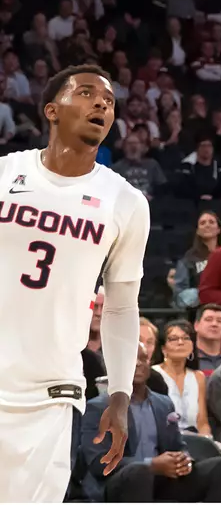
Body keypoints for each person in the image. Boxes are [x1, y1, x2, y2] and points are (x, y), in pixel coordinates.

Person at [0, 64, 149, 502]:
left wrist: (119, 395)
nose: (101, 103)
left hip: (52, 394)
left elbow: (122, 306)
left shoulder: (126, 201)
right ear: (52, 109)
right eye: (85, 93)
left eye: (108, 101)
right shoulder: (4, 174)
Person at [78, 356, 221, 503]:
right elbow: (99, 462)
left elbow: (178, 446)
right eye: (132, 357)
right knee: (140, 472)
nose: (139, 363)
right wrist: (151, 465)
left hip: (162, 480)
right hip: (118, 483)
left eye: (143, 358)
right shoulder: (97, 408)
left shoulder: (164, 403)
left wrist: (183, 461)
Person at [153, 321, 210, 437]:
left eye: (186, 338)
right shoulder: (153, 374)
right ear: (163, 348)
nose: (180, 342)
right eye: (173, 339)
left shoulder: (198, 377)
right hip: (164, 441)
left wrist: (207, 440)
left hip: (195, 442)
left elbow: (202, 422)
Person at [192, 304, 221, 373]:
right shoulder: (186, 360)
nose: (214, 324)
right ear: (196, 325)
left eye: (219, 321)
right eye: (208, 320)